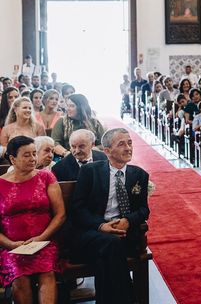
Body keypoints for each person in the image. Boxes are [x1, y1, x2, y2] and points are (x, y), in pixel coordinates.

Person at [70, 128, 150, 304]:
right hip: (92, 232)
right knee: (111, 244)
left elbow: (144, 210)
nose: (128, 148)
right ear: (107, 151)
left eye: (129, 143)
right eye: (121, 144)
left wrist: (128, 221)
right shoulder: (90, 171)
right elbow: (78, 208)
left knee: (106, 254)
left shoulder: (139, 175)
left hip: (123, 234)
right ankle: (130, 299)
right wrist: (101, 226)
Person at [0, 136, 65, 304]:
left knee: (46, 272)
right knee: (20, 276)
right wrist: (10, 244)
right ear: (12, 159)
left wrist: (41, 238)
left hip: (45, 242)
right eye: (27, 155)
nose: (33, 159)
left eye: (34, 153)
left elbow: (60, 214)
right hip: (12, 247)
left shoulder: (46, 177)